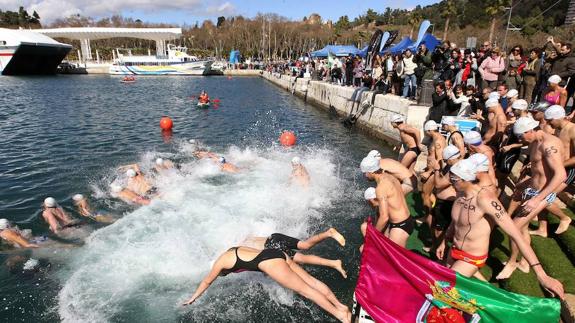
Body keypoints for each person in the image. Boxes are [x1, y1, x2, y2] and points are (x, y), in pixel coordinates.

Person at [435, 159, 565, 299]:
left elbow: (516, 235)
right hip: (454, 249)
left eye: (453, 179)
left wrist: (541, 274)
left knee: (443, 292)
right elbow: (456, 223)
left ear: (465, 179)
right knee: (449, 291)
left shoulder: (486, 200)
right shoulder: (460, 194)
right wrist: (445, 241)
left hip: (471, 257)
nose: (450, 182)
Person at [182, 246, 351, 323]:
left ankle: (341, 315)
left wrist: (193, 298)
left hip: (270, 262)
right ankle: (341, 307)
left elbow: (206, 281)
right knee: (312, 282)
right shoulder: (229, 251)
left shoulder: (221, 265)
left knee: (306, 291)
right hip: (276, 253)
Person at [496, 117, 567, 280]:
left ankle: (512, 262)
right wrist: (528, 178)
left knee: (513, 227)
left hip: (542, 194)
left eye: (521, 136)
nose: (521, 140)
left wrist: (537, 199)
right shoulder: (535, 141)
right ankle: (524, 263)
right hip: (533, 190)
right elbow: (540, 166)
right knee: (522, 227)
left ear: (530, 130)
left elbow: (561, 175)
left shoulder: (549, 144)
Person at [241, 228, 347, 278]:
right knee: (305, 245)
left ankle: (334, 263)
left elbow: (260, 260)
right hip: (275, 237)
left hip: (271, 246)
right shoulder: (245, 237)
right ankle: (328, 233)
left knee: (301, 258)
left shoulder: (240, 249)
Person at [360, 154, 414, 248]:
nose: (365, 176)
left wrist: (373, 235)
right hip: (403, 221)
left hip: (400, 226)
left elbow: (384, 217)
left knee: (395, 260)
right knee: (385, 253)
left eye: (365, 173)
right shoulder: (390, 177)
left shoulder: (381, 188)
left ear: (371, 172)